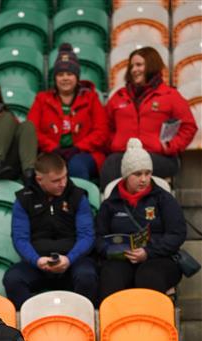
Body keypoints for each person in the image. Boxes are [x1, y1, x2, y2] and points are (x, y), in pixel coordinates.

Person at [96, 138, 187, 304]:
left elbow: (177, 233)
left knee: (148, 277)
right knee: (111, 277)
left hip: (159, 257)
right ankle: (115, 326)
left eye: (148, 173)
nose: (144, 179)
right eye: (137, 174)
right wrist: (112, 251)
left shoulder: (163, 199)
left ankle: (154, 326)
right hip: (122, 259)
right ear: (125, 175)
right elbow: (99, 236)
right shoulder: (110, 203)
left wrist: (148, 252)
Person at [3, 152, 98, 309]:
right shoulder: (24, 199)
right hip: (38, 263)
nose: (63, 183)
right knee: (13, 279)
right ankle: (35, 320)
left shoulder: (77, 196)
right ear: (40, 180)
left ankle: (79, 319)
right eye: (56, 180)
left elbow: (87, 236)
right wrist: (37, 260)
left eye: (65, 177)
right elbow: (20, 239)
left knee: (87, 276)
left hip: (73, 261)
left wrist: (69, 259)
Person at [101, 46, 198, 190]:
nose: (134, 70)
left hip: (160, 157)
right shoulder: (119, 96)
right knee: (112, 163)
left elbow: (189, 127)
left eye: (139, 65)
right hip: (123, 154)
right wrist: (114, 144)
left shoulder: (170, 95)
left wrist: (169, 146)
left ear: (152, 66)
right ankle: (113, 209)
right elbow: (106, 126)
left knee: (130, 165)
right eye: (131, 66)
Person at [27, 43, 109, 182]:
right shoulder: (42, 99)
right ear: (55, 78)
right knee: (44, 171)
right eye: (60, 74)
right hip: (51, 153)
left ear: (77, 77)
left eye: (70, 74)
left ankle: (79, 203)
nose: (65, 78)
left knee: (77, 166)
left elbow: (101, 131)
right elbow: (31, 129)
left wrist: (78, 148)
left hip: (85, 153)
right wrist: (52, 148)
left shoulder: (91, 98)